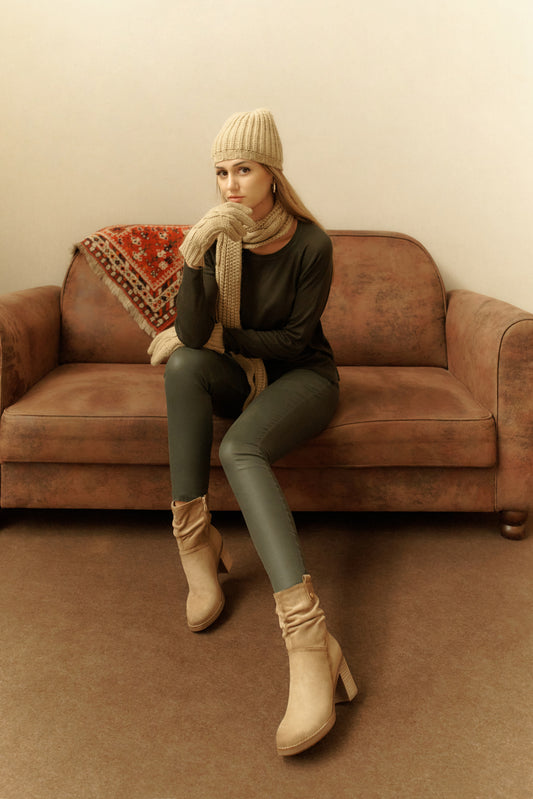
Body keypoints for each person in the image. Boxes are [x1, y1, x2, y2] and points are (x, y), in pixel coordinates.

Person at [148, 108, 357, 756]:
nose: (230, 184)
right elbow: (191, 337)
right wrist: (194, 256)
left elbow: (292, 341)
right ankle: (196, 544)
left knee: (240, 446)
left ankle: (310, 640)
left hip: (303, 377)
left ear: (272, 173)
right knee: (183, 366)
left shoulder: (311, 244)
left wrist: (222, 336)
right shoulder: (219, 238)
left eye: (243, 169)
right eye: (220, 172)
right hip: (243, 372)